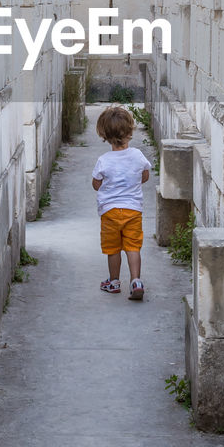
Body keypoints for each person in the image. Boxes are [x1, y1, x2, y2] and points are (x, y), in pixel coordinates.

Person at [91, 104, 152, 300]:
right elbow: (145, 176)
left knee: (113, 249)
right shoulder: (137, 155)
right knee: (133, 246)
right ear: (130, 131)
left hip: (109, 212)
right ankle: (136, 281)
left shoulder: (104, 160)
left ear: (104, 135)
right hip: (133, 210)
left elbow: (96, 184)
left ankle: (114, 281)